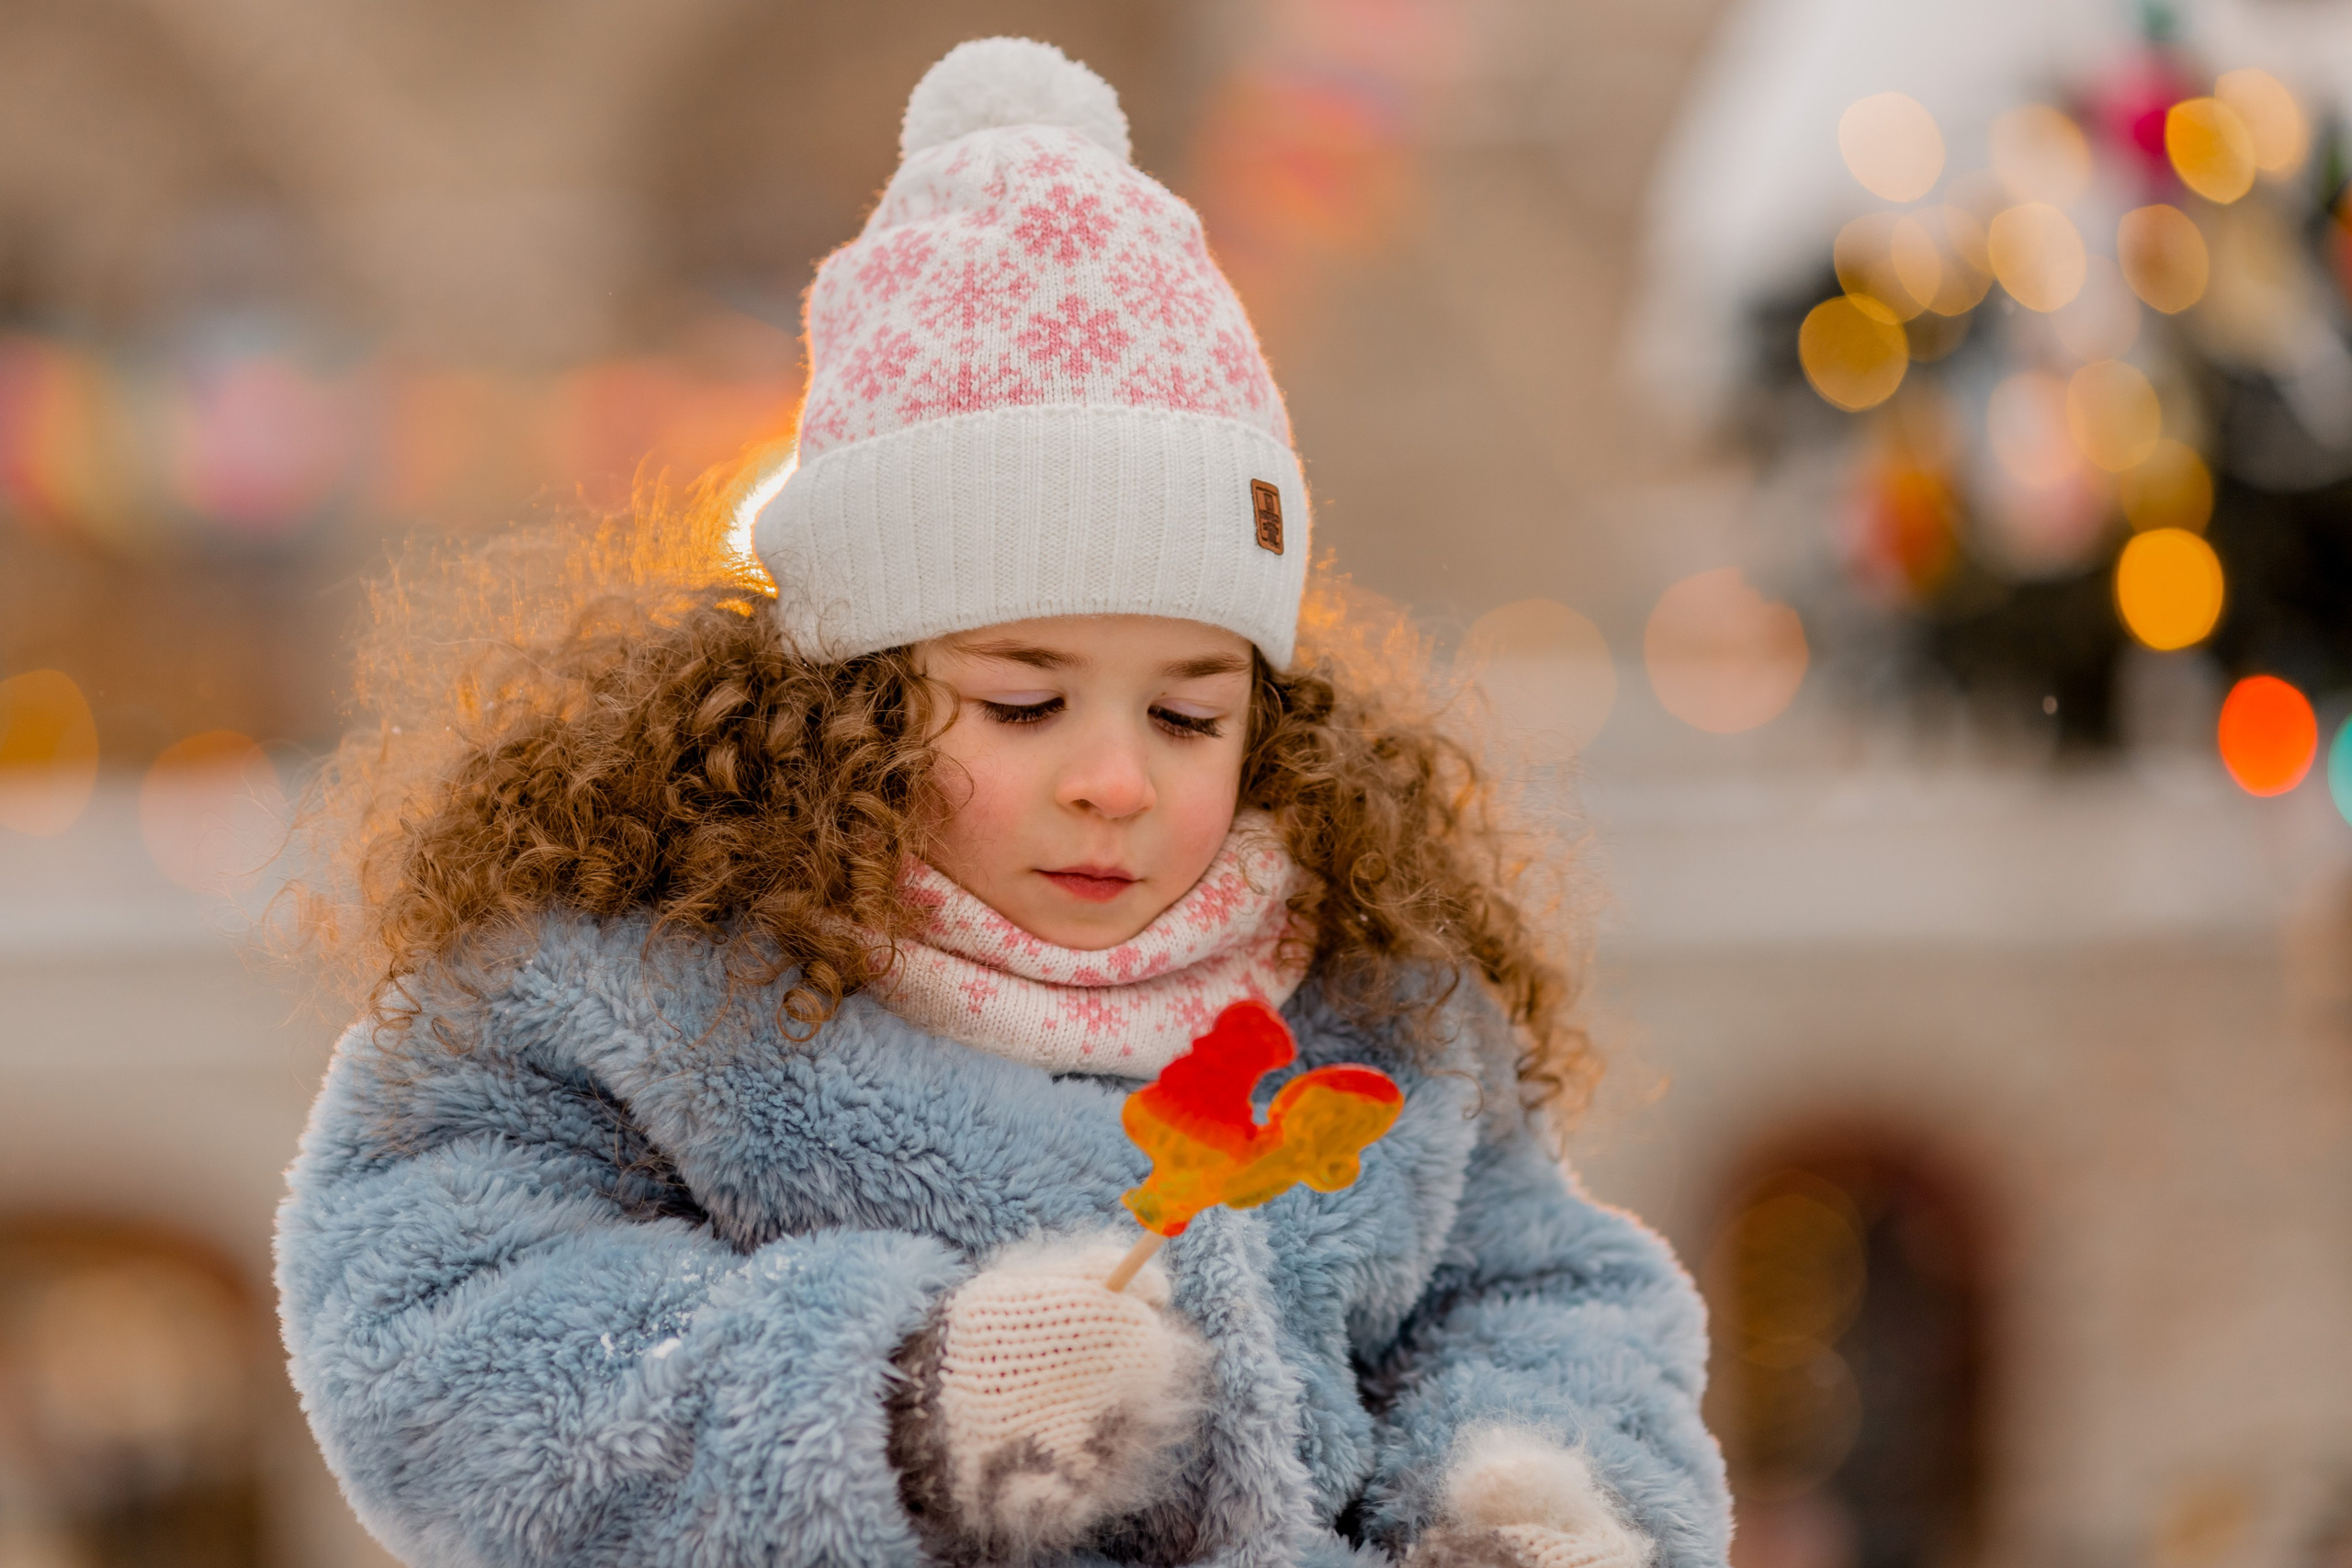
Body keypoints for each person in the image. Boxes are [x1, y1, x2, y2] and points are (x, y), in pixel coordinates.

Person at [274, 37, 1731, 1568]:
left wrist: (1530, 1494)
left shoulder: (1376, 1010)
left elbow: (1549, 1296)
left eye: (1189, 713)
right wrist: (905, 1404)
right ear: (847, 699)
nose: (1114, 778)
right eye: (1024, 704)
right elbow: (443, 1328)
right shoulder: (634, 991)